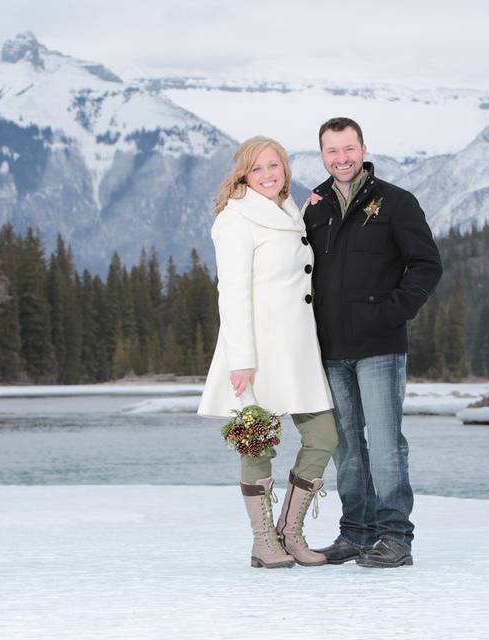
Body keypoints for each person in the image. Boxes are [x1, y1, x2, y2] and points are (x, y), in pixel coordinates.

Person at [304, 117, 442, 568]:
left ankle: (395, 537)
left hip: (380, 347)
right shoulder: (315, 209)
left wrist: (392, 311)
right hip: (330, 349)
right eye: (332, 151)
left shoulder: (396, 203)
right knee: (346, 448)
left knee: (385, 445)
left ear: (363, 148)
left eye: (348, 148)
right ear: (321, 154)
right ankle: (357, 533)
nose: (341, 158)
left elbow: (426, 264)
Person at [198, 136, 338, 569]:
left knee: (323, 436)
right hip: (255, 352)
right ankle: (263, 541)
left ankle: (288, 533)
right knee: (256, 445)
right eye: (257, 168)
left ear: (285, 170)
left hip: (298, 349)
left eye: (274, 165)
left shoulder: (290, 210)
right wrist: (241, 358)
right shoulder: (235, 219)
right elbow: (232, 293)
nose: (267, 174)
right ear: (243, 173)